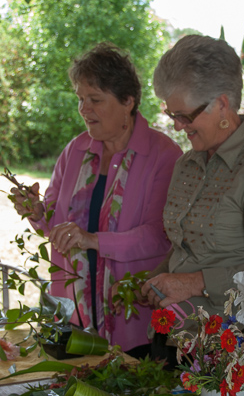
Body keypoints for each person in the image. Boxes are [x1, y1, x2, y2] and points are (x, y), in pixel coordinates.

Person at [139, 35, 244, 396]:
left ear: (223, 104)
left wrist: (193, 282)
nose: (178, 126)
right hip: (176, 343)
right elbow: (185, 250)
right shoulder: (187, 163)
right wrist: (159, 279)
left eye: (185, 116)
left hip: (234, 361)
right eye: (171, 114)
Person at [12, 43, 182, 357]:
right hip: (70, 317)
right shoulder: (74, 151)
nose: (84, 109)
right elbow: (54, 224)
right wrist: (37, 211)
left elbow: (160, 238)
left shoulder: (164, 156)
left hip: (133, 321)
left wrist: (93, 240)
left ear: (128, 101)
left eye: (95, 100)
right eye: (80, 99)